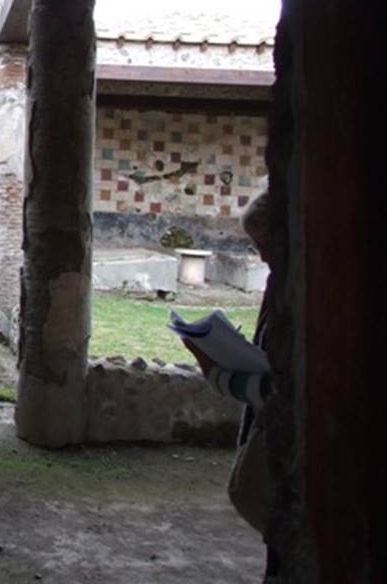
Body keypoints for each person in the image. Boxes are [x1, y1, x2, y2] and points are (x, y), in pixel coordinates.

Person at [182, 190, 278, 580]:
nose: (263, 257)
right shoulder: (282, 285)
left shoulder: (303, 293)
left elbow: (281, 391)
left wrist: (215, 372)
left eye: (267, 245)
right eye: (256, 246)